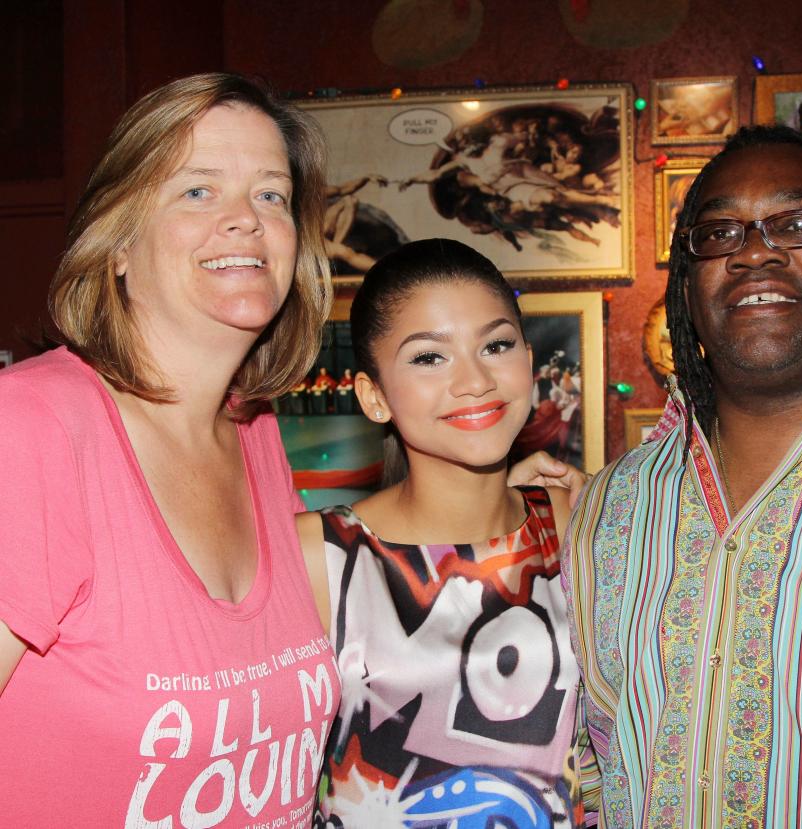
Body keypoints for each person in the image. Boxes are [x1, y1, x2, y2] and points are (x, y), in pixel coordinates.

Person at [0, 73, 583, 826]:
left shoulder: (253, 436)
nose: (245, 219)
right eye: (198, 191)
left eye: (271, 195)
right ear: (116, 239)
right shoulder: (34, 425)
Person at [565, 124, 802, 827]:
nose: (752, 250)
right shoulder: (606, 506)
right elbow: (590, 769)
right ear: (687, 291)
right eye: (718, 234)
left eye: (797, 223)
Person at [297, 239, 595, 828]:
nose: (475, 380)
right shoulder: (321, 554)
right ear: (374, 396)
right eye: (430, 357)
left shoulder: (576, 524)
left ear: (529, 361)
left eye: (497, 345)